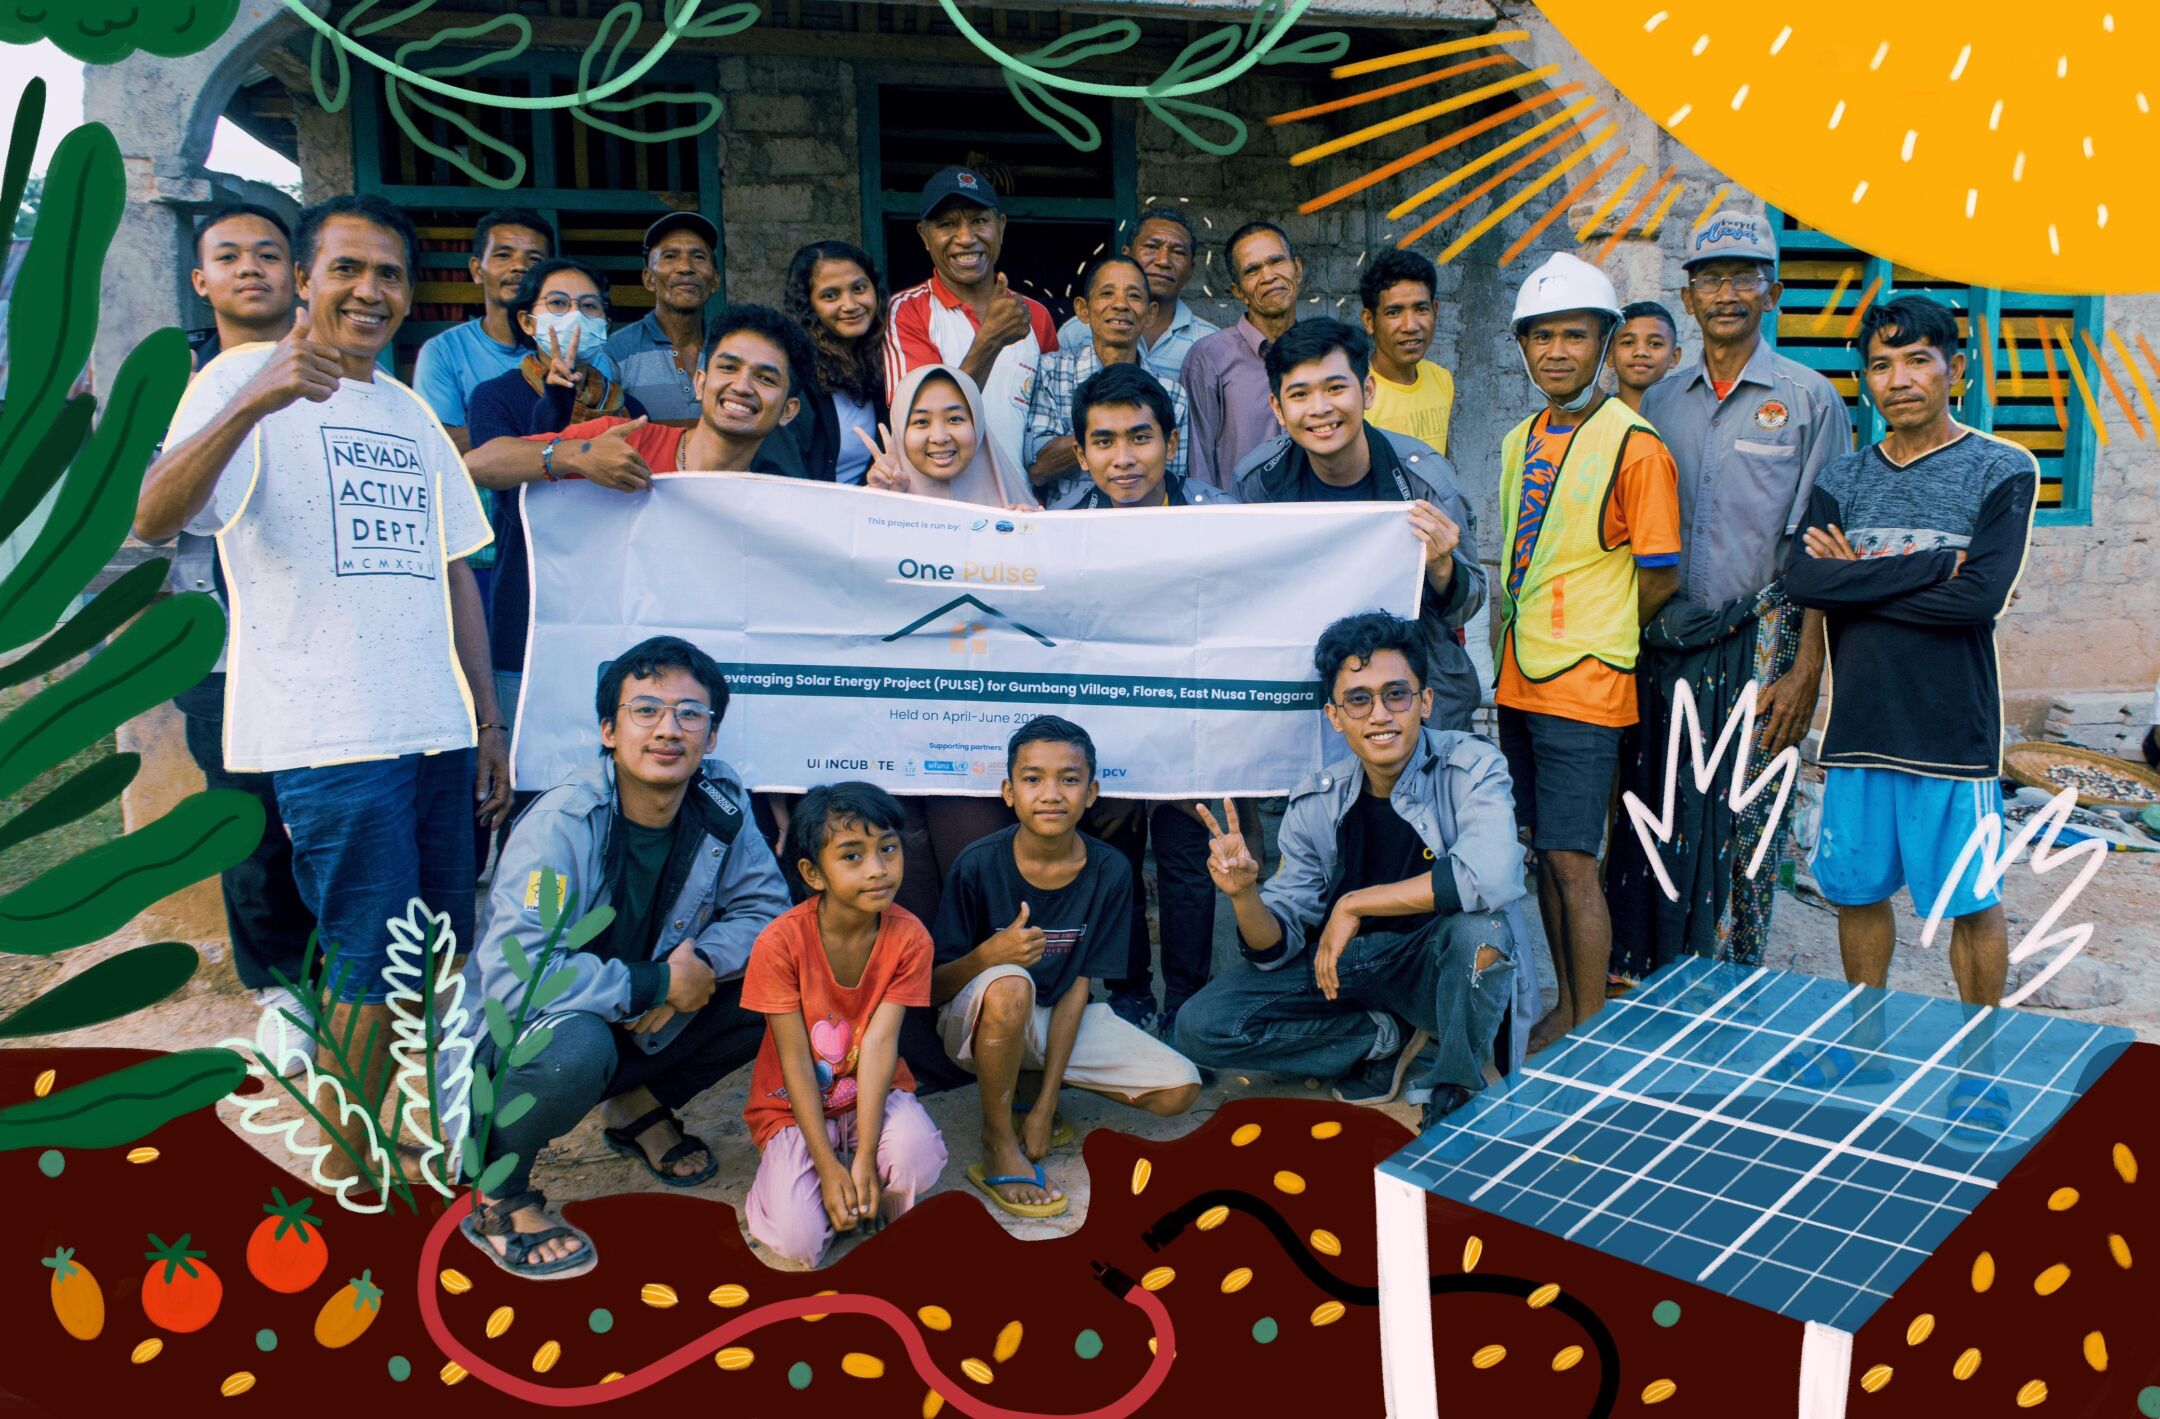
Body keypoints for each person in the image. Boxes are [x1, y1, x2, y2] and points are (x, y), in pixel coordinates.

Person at [135, 193, 511, 1178]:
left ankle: (413, 1137)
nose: (369, 290)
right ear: (305, 280)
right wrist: (256, 400)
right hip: (332, 735)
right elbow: (154, 514)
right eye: (347, 268)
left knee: (435, 954)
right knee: (365, 962)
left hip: (436, 728)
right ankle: (349, 1164)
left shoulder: (410, 410)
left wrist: (488, 723)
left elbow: (453, 571)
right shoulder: (236, 378)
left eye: (389, 273)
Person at [461, 636, 791, 1277]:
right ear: (609, 731)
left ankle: (635, 1103)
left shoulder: (719, 801)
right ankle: (499, 1192)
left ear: (711, 737)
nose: (668, 729)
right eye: (645, 711)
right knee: (572, 1050)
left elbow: (765, 913)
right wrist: (657, 983)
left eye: (689, 714)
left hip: (644, 1014)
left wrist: (698, 968)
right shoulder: (561, 824)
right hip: (534, 1032)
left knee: (784, 985)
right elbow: (519, 977)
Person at [1605, 216, 1852, 982]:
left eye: (1745, 277)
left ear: (1771, 292)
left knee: (1749, 819)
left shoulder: (1809, 401)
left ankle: (1736, 984)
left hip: (1765, 647)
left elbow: (1823, 550)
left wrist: (1806, 671)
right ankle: (1653, 982)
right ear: (1688, 297)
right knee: (1661, 810)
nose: (1727, 293)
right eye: (1711, 278)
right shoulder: (1657, 402)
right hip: (1663, 643)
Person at [1784, 295, 2034, 1036]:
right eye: (1881, 364)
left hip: (1952, 734)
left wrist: (1855, 581)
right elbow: (1805, 583)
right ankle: (1866, 1045)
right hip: (1860, 729)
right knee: (1857, 892)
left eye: (1918, 360)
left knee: (1971, 902)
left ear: (1955, 370)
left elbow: (1978, 599)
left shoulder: (2000, 469)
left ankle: (1978, 1060)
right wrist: (1931, 565)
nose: (1898, 380)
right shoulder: (1844, 479)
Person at [1173, 612, 1534, 1120]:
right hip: (1341, 970)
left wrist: (1354, 904)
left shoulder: (1472, 765)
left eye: (1396, 694)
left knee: (1482, 931)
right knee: (1200, 1026)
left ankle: (1454, 1084)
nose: (1380, 715)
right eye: (1359, 700)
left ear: (1426, 702)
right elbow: (1274, 949)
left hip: (1430, 968)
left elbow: (1492, 875)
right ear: (1335, 716)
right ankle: (1383, 1036)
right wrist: (1244, 895)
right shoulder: (1317, 801)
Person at [1492, 252, 1681, 1052]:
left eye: (1575, 335)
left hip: (1586, 685)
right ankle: (1567, 1006)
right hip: (1519, 678)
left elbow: (1661, 575)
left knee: (1574, 859)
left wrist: (1600, 637)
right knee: (1542, 855)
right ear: (1523, 346)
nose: (1557, 351)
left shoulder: (1635, 445)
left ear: (1604, 343)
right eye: (1542, 336)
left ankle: (1591, 1034)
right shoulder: (1519, 439)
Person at [928, 717, 1201, 1218]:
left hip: (1057, 1015)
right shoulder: (978, 863)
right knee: (1011, 985)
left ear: (1091, 793)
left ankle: (1030, 1088)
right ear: (1009, 792)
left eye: (1069, 779)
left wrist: (1046, 1107)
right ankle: (997, 1139)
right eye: (1033, 779)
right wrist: (990, 955)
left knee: (1178, 1089)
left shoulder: (1110, 869)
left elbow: (1079, 987)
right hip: (977, 1023)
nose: (1051, 793)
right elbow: (933, 988)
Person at [158, 203, 318, 1041]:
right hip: (221, 648)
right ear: (202, 280)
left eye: (268, 253)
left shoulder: (336, 380)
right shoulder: (173, 391)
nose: (250, 267)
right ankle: (281, 990)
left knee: (330, 817)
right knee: (249, 826)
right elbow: (146, 522)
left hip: (321, 644)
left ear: (298, 275)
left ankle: (348, 975)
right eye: (229, 256)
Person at [1040, 365, 1230, 1039]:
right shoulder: (1059, 530)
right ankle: (1126, 991)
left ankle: (1188, 996)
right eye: (1104, 441)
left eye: (1140, 438)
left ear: (1171, 443)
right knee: (1112, 856)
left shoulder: (1224, 520)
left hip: (1192, 720)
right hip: (1105, 725)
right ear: (1081, 452)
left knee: (1186, 857)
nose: (1123, 457)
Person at [1231, 319, 1487, 734]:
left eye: (1335, 388)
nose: (1320, 408)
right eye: (1300, 394)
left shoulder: (1426, 482)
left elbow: (1467, 605)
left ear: (1367, 391)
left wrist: (1442, 566)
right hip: (1298, 692)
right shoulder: (1257, 480)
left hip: (1410, 691)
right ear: (1278, 408)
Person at [741, 782, 947, 1267]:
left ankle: (866, 1187)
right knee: (799, 1240)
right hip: (791, 1109)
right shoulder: (780, 943)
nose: (878, 869)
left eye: (888, 849)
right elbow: (795, 1059)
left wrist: (865, 1157)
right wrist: (828, 1168)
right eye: (852, 856)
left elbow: (879, 1045)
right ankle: (808, 1181)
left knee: (916, 1157)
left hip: (871, 1095)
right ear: (813, 873)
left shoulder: (910, 939)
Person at [466, 257, 647, 754]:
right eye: (559, 305)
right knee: (530, 760)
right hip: (529, 602)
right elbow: (502, 481)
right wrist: (556, 405)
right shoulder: (496, 396)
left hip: (609, 601)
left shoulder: (627, 408)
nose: (576, 317)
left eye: (589, 307)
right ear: (528, 322)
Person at [466, 302, 812, 494]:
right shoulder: (621, 442)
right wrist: (574, 455)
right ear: (701, 382)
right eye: (728, 367)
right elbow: (477, 465)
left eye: (765, 378)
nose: (742, 386)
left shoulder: (770, 504)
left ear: (788, 410)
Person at [883, 167, 1059, 474]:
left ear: (1001, 227)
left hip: (1022, 500)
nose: (966, 238)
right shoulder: (906, 312)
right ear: (924, 236)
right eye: (947, 224)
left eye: (979, 221)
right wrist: (990, 340)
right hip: (944, 500)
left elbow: (1051, 425)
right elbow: (920, 422)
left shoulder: (1035, 315)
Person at [1023, 253, 1192, 498]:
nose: (1121, 304)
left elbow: (1171, 482)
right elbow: (1039, 468)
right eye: (1106, 293)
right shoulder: (1052, 371)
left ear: (1150, 313)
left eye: (1134, 296)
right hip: (1070, 519)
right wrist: (1115, 431)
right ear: (1083, 309)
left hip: (1142, 518)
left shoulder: (1172, 393)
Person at [410, 207, 555, 451]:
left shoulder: (579, 349)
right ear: (477, 270)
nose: (520, 266)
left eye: (534, 259)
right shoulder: (443, 351)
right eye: (503, 255)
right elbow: (439, 441)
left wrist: (491, 432)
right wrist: (550, 436)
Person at [1180, 221, 1302, 491]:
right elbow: (1199, 467)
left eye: (1277, 261)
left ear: (1298, 270)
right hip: (1237, 513)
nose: (1268, 276)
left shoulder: (1321, 353)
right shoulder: (1209, 357)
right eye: (1252, 270)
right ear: (1238, 292)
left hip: (1314, 511)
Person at [1055, 207, 1217, 386]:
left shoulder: (1211, 342)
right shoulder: (1076, 332)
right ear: (1127, 255)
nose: (1163, 261)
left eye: (1178, 252)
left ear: (1191, 270)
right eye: (1151, 247)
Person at [781, 240, 889, 484]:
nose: (850, 305)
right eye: (830, 295)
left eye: (859, 288)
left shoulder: (885, 361)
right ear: (808, 305)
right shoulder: (794, 377)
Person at [604, 212, 726, 427]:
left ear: (715, 280)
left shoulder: (729, 349)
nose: (686, 267)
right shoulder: (616, 351)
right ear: (649, 279)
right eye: (670, 256)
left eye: (699, 257)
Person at [858, 362, 1029, 506]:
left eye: (955, 419)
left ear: (977, 423)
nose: (940, 437)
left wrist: (1028, 528)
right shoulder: (878, 496)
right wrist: (880, 505)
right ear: (900, 429)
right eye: (921, 422)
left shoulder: (1017, 510)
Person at [1359, 248, 1457, 455]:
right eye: (1394, 312)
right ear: (1369, 321)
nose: (1410, 326)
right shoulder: (1358, 396)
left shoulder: (1441, 379)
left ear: (1435, 311)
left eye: (1421, 309)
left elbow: (1441, 462)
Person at [1608, 300, 1679, 413]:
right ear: (1610, 355)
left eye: (1655, 344)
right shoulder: (1593, 417)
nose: (1641, 352)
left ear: (1674, 357)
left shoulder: (1687, 416)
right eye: (1628, 342)